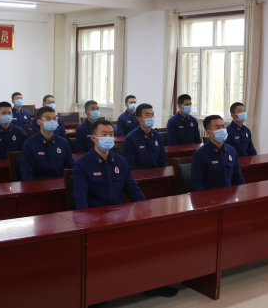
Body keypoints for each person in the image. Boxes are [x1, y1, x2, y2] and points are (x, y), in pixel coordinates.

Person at [73, 120, 177, 299]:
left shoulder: (120, 161)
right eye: (104, 134)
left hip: (121, 216)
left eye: (111, 134)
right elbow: (80, 199)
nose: (108, 137)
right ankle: (96, 295)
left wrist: (147, 210)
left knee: (151, 237)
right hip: (97, 220)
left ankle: (152, 284)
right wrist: (86, 226)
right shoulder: (83, 164)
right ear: (94, 138)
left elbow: (133, 189)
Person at [191, 115, 245, 192]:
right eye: (218, 128)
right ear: (208, 132)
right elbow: (197, 184)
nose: (222, 130)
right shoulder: (200, 154)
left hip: (229, 195)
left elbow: (238, 178)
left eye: (223, 127)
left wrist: (242, 193)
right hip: (211, 197)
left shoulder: (231, 150)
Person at [20, 106, 74, 180]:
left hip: (60, 183)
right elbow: (27, 174)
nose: (52, 121)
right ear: (39, 122)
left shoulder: (63, 142)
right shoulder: (29, 144)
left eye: (54, 119)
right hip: (38, 184)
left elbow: (72, 166)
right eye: (48, 118)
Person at [122, 103, 168, 170]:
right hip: (139, 174)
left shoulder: (158, 136)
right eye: (147, 115)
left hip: (156, 173)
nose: (151, 117)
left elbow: (163, 160)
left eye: (152, 114)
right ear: (138, 119)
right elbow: (130, 165)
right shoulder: (130, 139)